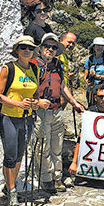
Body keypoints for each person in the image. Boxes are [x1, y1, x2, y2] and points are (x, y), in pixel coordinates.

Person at [31, 33, 85, 193]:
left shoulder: (58, 65)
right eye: (47, 46)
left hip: (57, 110)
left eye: (54, 47)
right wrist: (36, 102)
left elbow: (62, 86)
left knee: (57, 146)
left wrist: (74, 102)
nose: (50, 49)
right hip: (41, 111)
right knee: (43, 146)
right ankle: (46, 178)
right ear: (40, 48)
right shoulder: (33, 64)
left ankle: (57, 177)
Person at [0, 35, 43, 206]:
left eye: (30, 48)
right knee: (10, 155)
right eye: (23, 47)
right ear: (17, 50)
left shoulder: (34, 69)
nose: (27, 50)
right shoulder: (8, 68)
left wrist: (36, 102)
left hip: (27, 118)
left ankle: (10, 187)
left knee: (19, 155)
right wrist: (18, 103)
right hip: (10, 116)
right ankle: (12, 193)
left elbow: (36, 93)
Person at [68, 85, 104, 177]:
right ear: (95, 98)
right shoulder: (90, 113)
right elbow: (80, 139)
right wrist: (74, 162)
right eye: (100, 97)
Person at [83, 37, 104, 106]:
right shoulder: (90, 59)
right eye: (97, 45)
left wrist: (97, 76)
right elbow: (85, 76)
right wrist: (88, 83)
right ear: (93, 47)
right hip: (91, 91)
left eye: (102, 46)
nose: (100, 47)